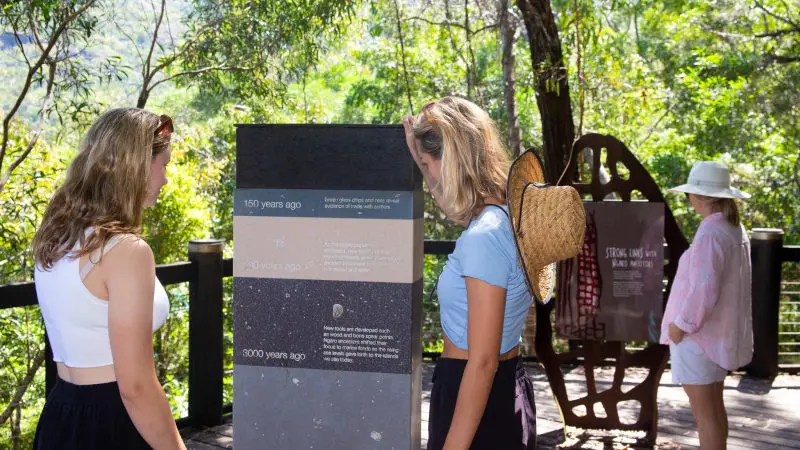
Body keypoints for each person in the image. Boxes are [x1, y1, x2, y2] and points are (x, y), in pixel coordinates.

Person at [31, 108, 185, 450]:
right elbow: (136, 387)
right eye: (165, 165)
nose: (165, 178)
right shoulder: (126, 251)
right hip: (111, 422)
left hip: (59, 416)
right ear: (139, 168)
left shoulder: (55, 238)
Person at [403, 96, 536, 450]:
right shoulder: (505, 215)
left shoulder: (483, 238)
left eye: (431, 165)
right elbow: (454, 208)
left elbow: (483, 362)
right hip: (505, 390)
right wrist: (420, 155)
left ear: (451, 164)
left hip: (475, 392)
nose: (430, 175)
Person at [661, 161, 753, 450]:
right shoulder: (733, 229)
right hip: (716, 337)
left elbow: (704, 289)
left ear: (698, 197)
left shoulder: (711, 233)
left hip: (698, 337)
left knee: (705, 416)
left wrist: (680, 325)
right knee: (714, 408)